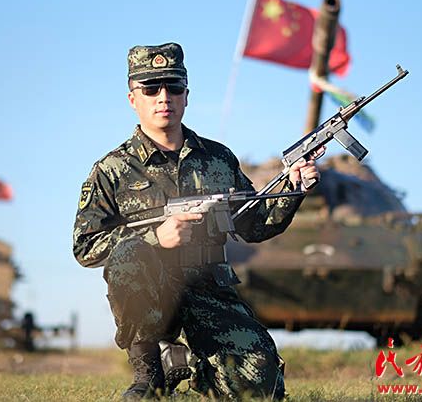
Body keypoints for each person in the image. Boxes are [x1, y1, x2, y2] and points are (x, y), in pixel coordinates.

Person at [73, 43, 322, 400]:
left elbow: (255, 224)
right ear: (133, 99)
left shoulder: (218, 159)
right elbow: (85, 246)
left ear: (186, 96)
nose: (164, 97)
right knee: (129, 255)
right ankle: (150, 374)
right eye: (151, 88)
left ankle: (190, 367)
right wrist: (156, 237)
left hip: (209, 289)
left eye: (174, 87)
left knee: (260, 386)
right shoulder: (112, 170)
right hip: (153, 294)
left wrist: (294, 188)